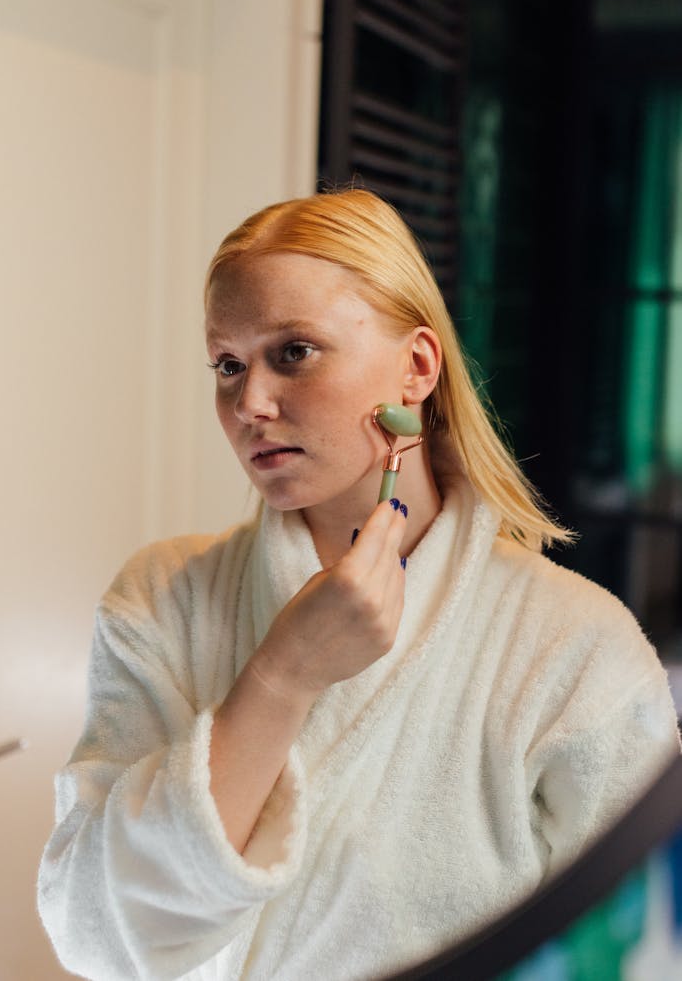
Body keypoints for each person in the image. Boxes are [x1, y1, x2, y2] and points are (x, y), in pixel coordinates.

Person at [38, 189, 680, 981]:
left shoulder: (576, 647)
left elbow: (638, 952)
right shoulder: (164, 597)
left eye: (294, 351)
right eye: (228, 364)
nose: (250, 402)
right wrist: (282, 675)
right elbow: (90, 931)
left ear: (416, 368)